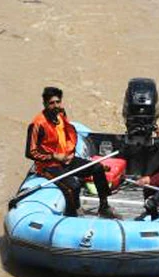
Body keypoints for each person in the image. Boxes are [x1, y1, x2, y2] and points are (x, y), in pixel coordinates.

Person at [24, 86, 118, 219]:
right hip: (48, 166)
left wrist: (70, 152)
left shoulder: (61, 113)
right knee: (73, 186)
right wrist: (53, 156)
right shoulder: (37, 124)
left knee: (97, 168)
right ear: (45, 104)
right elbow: (30, 152)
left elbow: (68, 134)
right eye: (51, 103)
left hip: (67, 160)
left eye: (58, 102)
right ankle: (74, 213)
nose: (55, 106)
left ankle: (104, 206)